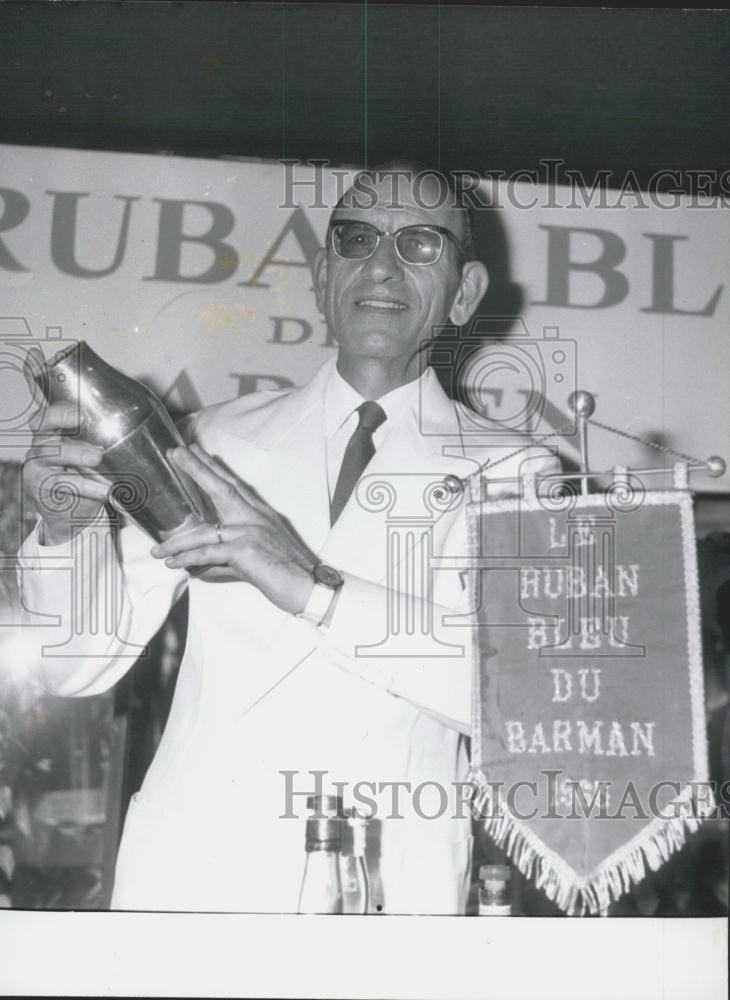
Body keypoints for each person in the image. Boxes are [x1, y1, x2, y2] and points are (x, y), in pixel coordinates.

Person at [18, 164, 556, 914]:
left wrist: (309, 584)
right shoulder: (206, 441)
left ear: (465, 293)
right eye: (357, 239)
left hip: (387, 879)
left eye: (420, 245)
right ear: (322, 274)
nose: (381, 265)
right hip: (191, 877)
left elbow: (515, 701)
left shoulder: (517, 471)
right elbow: (73, 664)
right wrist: (66, 528)